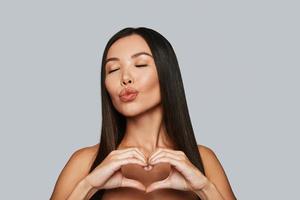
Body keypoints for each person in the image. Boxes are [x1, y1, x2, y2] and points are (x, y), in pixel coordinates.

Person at [50, 27, 236, 200]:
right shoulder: (84, 163)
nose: (125, 78)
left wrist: (204, 188)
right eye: (113, 69)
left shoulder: (203, 159)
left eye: (140, 64)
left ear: (166, 74)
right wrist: (87, 186)